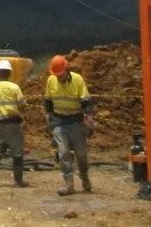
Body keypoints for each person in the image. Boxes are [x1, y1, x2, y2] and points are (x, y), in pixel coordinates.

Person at [46, 54, 94, 195]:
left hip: (76, 122)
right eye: (56, 75)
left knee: (81, 155)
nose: (58, 77)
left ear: (66, 69)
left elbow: (86, 102)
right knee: (63, 152)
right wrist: (48, 118)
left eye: (60, 74)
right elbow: (48, 102)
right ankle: (69, 184)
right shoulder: (51, 80)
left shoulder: (78, 80)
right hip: (59, 122)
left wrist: (89, 119)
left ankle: (84, 176)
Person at [0, 59, 29, 188]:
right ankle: (18, 181)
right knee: (17, 154)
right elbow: (21, 105)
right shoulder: (14, 87)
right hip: (13, 125)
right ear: (9, 73)